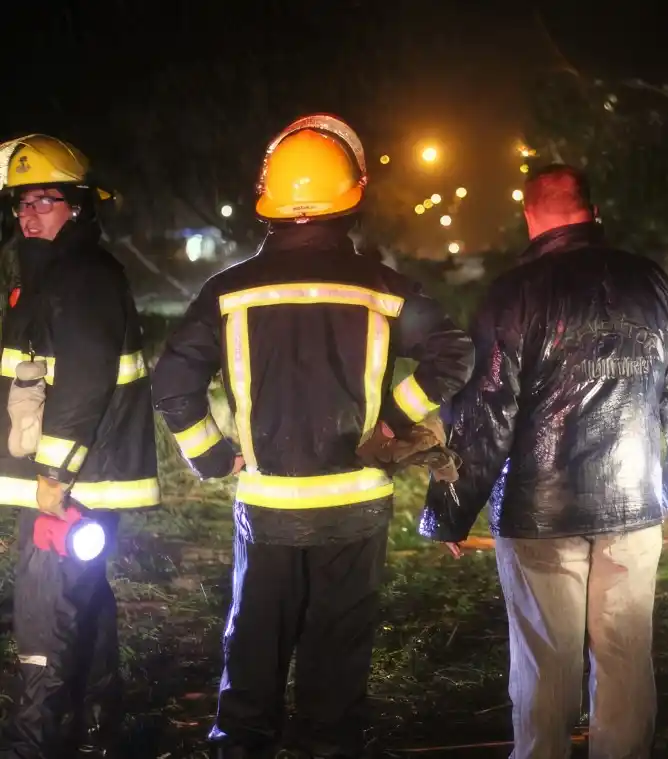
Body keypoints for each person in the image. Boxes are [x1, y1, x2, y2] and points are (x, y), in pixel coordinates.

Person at [152, 114, 474, 759]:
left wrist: (212, 456)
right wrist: (394, 420)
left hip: (267, 509)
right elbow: (455, 352)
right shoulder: (383, 289)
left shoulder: (227, 292)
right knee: (336, 673)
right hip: (356, 508)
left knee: (253, 659)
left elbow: (173, 384)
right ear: (351, 199)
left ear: (269, 203)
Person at [419, 164, 668, 758]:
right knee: (626, 656)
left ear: (530, 216)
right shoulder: (653, 284)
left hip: (539, 512)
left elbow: (488, 409)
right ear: (593, 213)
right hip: (633, 505)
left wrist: (451, 508)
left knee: (546, 663)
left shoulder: (515, 294)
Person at [0, 134, 160, 758]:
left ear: (79, 206)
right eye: (22, 202)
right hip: (71, 480)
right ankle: (99, 730)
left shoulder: (83, 277)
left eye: (45, 200)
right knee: (81, 602)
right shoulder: (48, 274)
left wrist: (53, 475)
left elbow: (85, 382)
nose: (29, 213)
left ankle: (33, 746)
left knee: (44, 619)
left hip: (70, 484)